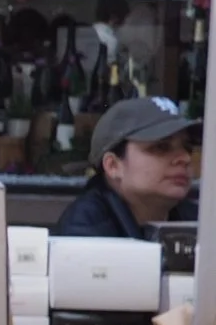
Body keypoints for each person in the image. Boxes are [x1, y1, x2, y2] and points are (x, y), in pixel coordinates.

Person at [55, 96, 200, 238]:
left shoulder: (199, 220)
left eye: (188, 148)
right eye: (161, 147)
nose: (185, 158)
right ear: (113, 165)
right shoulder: (85, 233)